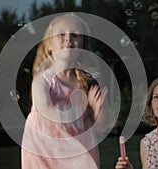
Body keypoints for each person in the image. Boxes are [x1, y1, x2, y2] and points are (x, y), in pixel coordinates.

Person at [21, 13, 107, 169]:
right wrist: (77, 112)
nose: (68, 38)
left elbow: (101, 128)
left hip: (78, 144)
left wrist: (96, 112)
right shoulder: (42, 80)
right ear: (49, 45)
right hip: (46, 146)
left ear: (83, 46)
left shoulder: (83, 83)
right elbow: (47, 113)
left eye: (75, 35)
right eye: (61, 34)